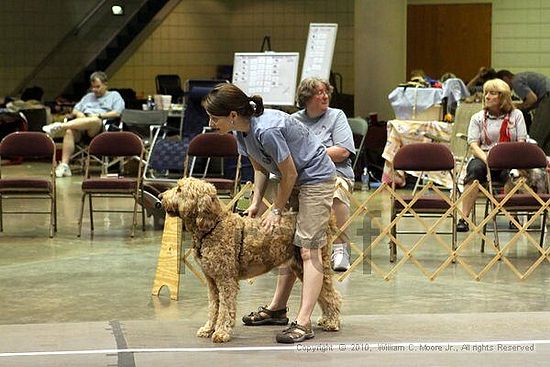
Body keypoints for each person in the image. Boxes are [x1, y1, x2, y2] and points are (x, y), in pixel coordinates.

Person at [203, 83, 336, 344]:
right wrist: (255, 202)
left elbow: (290, 173)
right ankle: (277, 309)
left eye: (214, 117)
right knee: (286, 244)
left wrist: (275, 210)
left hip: (315, 177)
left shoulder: (267, 129)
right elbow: (261, 169)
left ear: (232, 115)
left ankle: (304, 322)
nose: (210, 122)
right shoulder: (241, 133)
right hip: (293, 179)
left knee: (308, 248)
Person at [292, 77, 355, 272]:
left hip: (336, 173)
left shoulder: (337, 116)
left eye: (326, 92)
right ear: (306, 97)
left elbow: (343, 152)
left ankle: (340, 249)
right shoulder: (294, 121)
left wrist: (309, 154)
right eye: (319, 92)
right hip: (303, 176)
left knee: (336, 192)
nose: (325, 96)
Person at [456, 78, 527, 232]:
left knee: (512, 174)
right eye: (486, 93)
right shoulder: (478, 117)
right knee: (474, 170)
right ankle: (463, 218)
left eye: (492, 93)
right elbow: (473, 145)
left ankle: (512, 217)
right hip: (484, 157)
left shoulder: (517, 115)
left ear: (503, 97)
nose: (486, 96)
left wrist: (503, 158)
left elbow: (521, 142)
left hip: (509, 158)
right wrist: (488, 159)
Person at [42, 71, 125, 177]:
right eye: (93, 87)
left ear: (105, 84)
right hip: (82, 126)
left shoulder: (114, 95)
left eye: (98, 87)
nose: (95, 90)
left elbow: (117, 112)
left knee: (94, 120)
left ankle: (58, 126)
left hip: (99, 128)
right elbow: (75, 111)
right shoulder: (88, 97)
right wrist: (80, 114)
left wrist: (99, 115)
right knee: (69, 131)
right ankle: (64, 166)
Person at [496, 69, 550, 152]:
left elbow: (532, 99)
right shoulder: (522, 76)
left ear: (505, 79)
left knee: (536, 136)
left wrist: (517, 106)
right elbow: (535, 101)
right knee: (546, 137)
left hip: (547, 98)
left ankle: (532, 159)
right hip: (545, 96)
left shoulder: (516, 81)